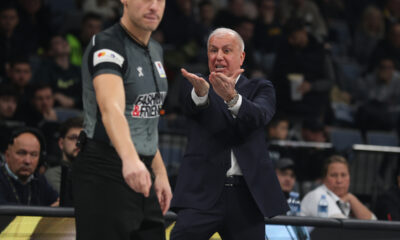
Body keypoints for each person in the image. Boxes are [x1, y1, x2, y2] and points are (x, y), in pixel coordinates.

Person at [171, 27, 288, 240]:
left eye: (227, 50)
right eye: (213, 50)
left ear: (241, 56)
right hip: (201, 194)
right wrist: (201, 93)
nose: (219, 57)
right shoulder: (198, 84)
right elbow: (191, 105)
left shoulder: (260, 87)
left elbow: (259, 116)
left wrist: (232, 98)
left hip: (246, 197)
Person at [73, 0, 172, 239]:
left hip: (141, 170)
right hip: (106, 169)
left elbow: (144, 119)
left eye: (160, 0)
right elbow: (111, 109)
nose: (153, 6)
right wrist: (130, 159)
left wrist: (159, 173)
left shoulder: (156, 49)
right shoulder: (107, 44)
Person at [301, 155, 376, 219]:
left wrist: (351, 198)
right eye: (333, 175)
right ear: (324, 179)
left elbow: (373, 222)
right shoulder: (318, 195)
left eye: (343, 175)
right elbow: (340, 226)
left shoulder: (345, 198)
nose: (339, 181)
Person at [0, 127, 59, 206]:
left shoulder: (40, 180)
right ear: (7, 155)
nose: (27, 161)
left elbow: (58, 203)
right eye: (21, 153)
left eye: (34, 155)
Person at [44, 116, 82, 206]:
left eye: (82, 139)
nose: (78, 143)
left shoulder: (93, 171)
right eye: (73, 138)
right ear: (61, 143)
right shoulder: (52, 174)